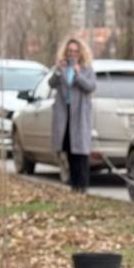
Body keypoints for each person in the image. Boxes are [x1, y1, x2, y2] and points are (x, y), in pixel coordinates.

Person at [48, 37, 96, 193]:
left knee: (81, 153)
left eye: (75, 51)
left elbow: (90, 87)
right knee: (68, 149)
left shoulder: (86, 69)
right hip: (65, 114)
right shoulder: (62, 68)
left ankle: (82, 186)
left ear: (81, 53)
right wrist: (57, 70)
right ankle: (73, 186)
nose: (72, 54)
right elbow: (51, 83)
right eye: (69, 51)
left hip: (80, 115)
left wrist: (77, 74)